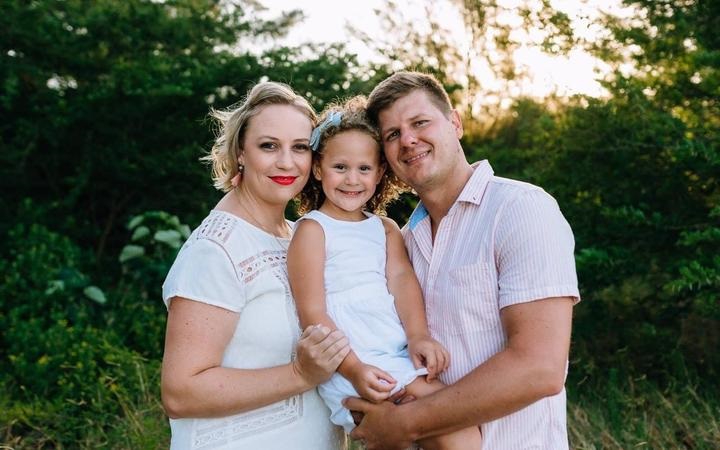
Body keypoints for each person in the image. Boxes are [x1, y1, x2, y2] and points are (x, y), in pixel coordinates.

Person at [345, 71, 581, 449]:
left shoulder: (520, 209)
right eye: (392, 135)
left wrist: (404, 424)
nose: (408, 140)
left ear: (455, 123)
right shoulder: (400, 245)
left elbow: (539, 368)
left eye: (420, 122)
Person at [160, 81, 352, 450]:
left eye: (300, 147)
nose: (286, 162)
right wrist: (299, 374)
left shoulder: (303, 236)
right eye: (269, 146)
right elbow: (180, 393)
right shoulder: (215, 249)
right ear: (240, 153)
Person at [287, 96, 482, 450]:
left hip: (393, 353)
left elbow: (403, 284)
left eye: (364, 169)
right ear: (318, 169)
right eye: (340, 167)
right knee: (457, 436)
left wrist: (420, 336)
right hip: (352, 362)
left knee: (453, 432)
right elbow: (312, 315)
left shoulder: (386, 229)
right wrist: (354, 369)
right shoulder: (313, 230)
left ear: (380, 173)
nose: (352, 179)